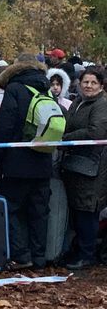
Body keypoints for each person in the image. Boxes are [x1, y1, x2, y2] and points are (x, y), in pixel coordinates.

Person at [0, 54, 52, 270]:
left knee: (14, 210)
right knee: (39, 212)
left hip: (17, 163)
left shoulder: (14, 89)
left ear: (16, 68)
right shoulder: (45, 88)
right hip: (43, 160)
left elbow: (5, 126)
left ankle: (22, 256)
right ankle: (40, 258)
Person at [62, 69, 107, 270]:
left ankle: (87, 254)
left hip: (93, 166)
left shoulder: (101, 105)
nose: (88, 85)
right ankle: (78, 249)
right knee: (77, 210)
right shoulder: (77, 103)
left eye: (93, 82)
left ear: (101, 85)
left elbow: (95, 131)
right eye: (85, 82)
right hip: (75, 164)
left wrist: (67, 138)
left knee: (87, 210)